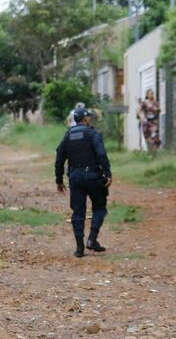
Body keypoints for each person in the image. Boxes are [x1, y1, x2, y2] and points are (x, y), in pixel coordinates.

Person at [55, 108, 112, 258]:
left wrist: (59, 180)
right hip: (93, 176)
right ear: (85, 119)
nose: (90, 119)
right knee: (99, 207)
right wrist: (107, 173)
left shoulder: (68, 135)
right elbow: (101, 154)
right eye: (88, 117)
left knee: (78, 213)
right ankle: (92, 239)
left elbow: (59, 158)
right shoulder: (92, 133)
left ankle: (79, 247)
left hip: (75, 177)